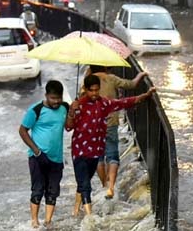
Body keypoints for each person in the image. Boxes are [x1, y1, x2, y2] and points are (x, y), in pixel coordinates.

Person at [66, 74, 155, 216]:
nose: (94, 93)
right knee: (85, 185)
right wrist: (71, 112)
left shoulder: (104, 104)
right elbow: (68, 127)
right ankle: (90, 217)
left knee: (84, 181)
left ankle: (76, 210)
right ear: (85, 89)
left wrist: (145, 95)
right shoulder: (78, 105)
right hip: (80, 151)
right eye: (91, 90)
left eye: (97, 90)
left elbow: (125, 102)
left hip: (95, 151)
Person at [86, 65, 149, 199]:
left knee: (98, 157)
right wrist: (140, 75)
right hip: (111, 122)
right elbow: (131, 84)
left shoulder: (88, 81)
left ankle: (104, 184)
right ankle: (111, 187)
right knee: (112, 155)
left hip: (93, 125)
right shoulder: (111, 78)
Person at [19, 80, 70, 228]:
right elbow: (22, 131)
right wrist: (36, 151)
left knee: (53, 191)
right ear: (46, 95)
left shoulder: (64, 108)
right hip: (38, 157)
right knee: (37, 190)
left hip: (57, 157)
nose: (56, 101)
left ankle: (48, 222)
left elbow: (68, 127)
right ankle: (34, 222)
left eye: (59, 98)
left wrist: (73, 112)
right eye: (53, 98)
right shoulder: (36, 110)